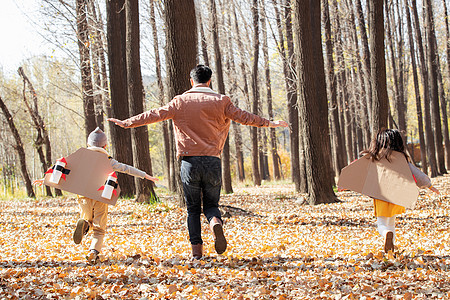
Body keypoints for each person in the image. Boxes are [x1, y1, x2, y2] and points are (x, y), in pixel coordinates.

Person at [108, 65, 288, 259]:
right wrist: (270, 123)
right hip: (212, 161)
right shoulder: (222, 101)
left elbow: (155, 114)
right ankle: (215, 224)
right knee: (211, 205)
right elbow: (244, 117)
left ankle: (197, 253)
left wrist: (127, 122)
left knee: (193, 209)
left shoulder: (180, 101)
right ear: (209, 81)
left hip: (189, 162)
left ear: (191, 81)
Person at [34, 127, 158, 264]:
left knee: (87, 218)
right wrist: (145, 175)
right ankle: (93, 252)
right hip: (101, 196)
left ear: (88, 144)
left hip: (83, 197)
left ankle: (85, 224)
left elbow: (61, 167)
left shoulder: (80, 156)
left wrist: (44, 179)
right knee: (99, 228)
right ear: (105, 145)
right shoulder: (108, 160)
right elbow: (126, 168)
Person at [360, 128, 439, 253]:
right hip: (396, 195)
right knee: (391, 221)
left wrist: (344, 184)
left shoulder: (374, 158)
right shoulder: (401, 159)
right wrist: (428, 185)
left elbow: (359, 172)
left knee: (381, 223)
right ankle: (391, 247)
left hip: (380, 195)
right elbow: (416, 173)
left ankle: (386, 234)